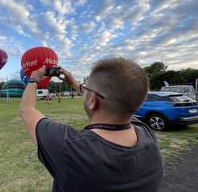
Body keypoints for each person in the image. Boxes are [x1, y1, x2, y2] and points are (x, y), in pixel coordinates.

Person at [19, 57, 163, 192]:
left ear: (93, 101)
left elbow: (27, 110)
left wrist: (33, 80)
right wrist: (75, 83)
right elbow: (112, 99)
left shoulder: (71, 147)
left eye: (86, 88)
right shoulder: (148, 136)